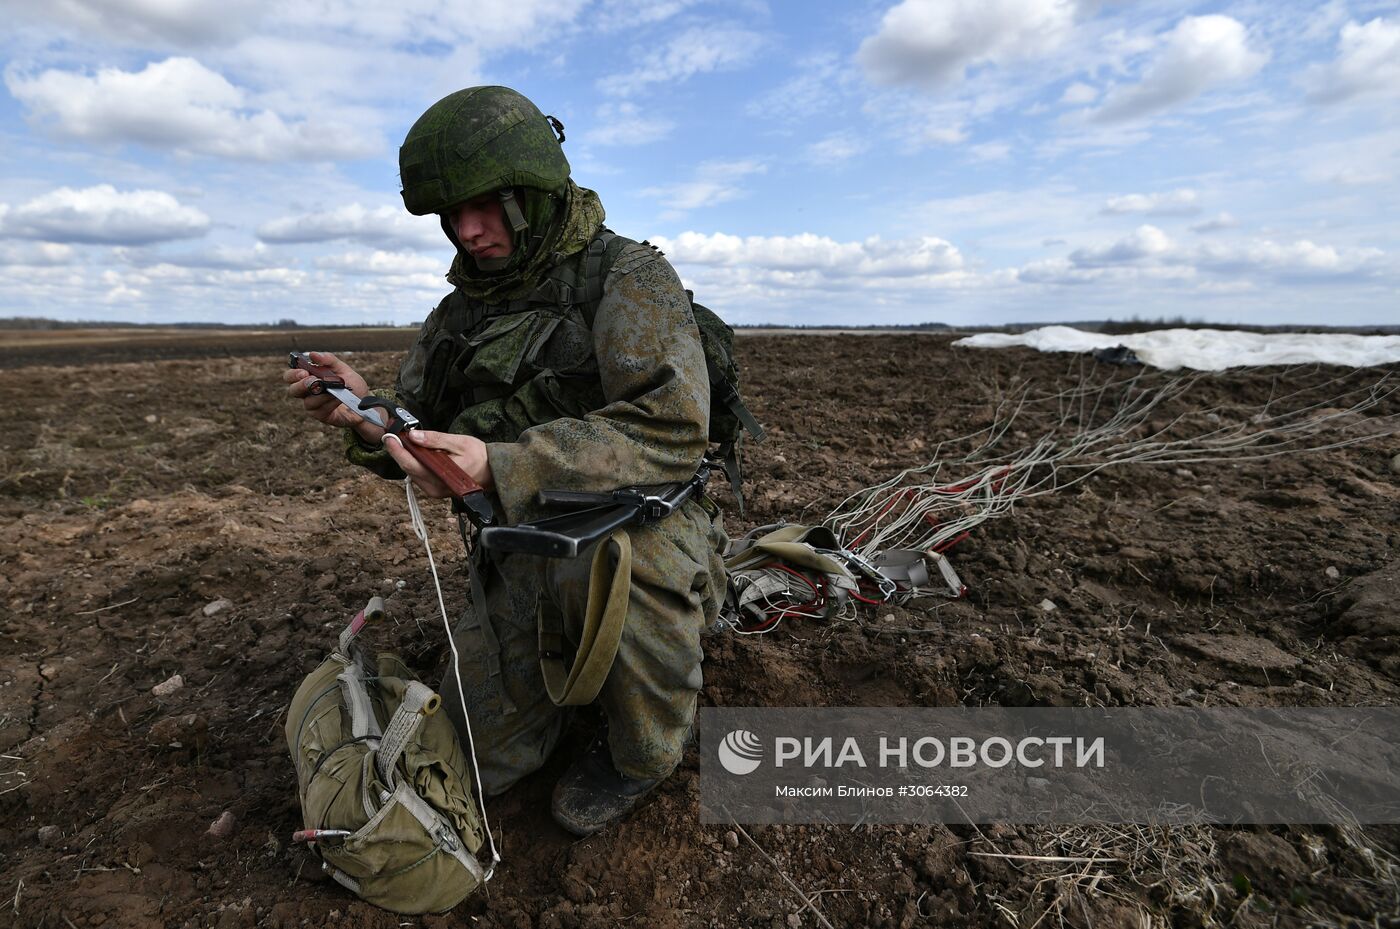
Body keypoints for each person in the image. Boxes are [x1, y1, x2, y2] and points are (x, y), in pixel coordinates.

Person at [283, 86, 728, 836]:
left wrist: (505, 463)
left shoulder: (625, 276)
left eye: (486, 205)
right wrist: (369, 413)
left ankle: (644, 753)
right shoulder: (463, 313)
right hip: (518, 554)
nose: (469, 229)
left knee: (622, 572)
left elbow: (671, 427)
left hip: (636, 540)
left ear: (533, 190)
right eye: (452, 215)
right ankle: (553, 681)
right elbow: (425, 432)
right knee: (471, 767)